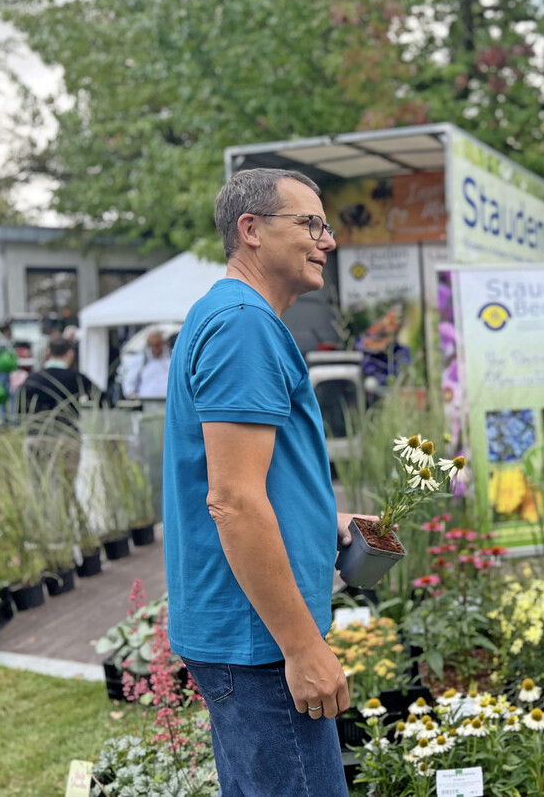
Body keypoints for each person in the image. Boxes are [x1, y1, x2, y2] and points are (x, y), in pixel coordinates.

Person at [163, 168, 364, 796]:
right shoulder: (243, 325)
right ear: (250, 230)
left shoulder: (227, 315)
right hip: (260, 648)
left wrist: (322, 523)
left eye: (324, 225)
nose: (325, 240)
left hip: (246, 637)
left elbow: (242, 482)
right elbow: (234, 502)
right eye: (309, 224)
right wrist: (303, 647)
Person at [17, 336, 97, 477]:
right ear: (70, 354)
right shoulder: (77, 378)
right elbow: (102, 398)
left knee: (38, 488)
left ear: (48, 352)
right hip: (67, 436)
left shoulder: (32, 379)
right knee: (66, 489)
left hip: (38, 436)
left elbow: (20, 410)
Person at [121, 328, 172, 399]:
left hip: (166, 400)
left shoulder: (170, 359)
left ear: (163, 343)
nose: (155, 348)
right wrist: (133, 395)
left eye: (158, 344)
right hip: (146, 401)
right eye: (152, 345)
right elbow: (129, 383)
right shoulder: (141, 359)